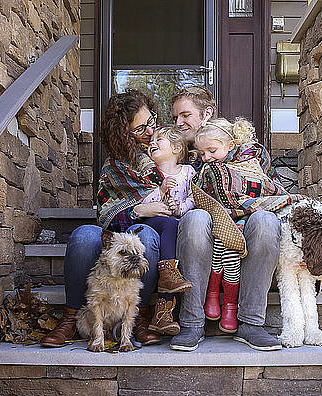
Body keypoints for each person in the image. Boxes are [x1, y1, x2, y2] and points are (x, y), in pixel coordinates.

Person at [41, 89, 169, 348]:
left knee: (147, 236)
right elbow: (106, 218)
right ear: (122, 134)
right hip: (116, 237)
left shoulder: (168, 152)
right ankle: (72, 316)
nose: (149, 132)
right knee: (84, 235)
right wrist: (137, 211)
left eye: (151, 122)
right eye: (139, 128)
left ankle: (139, 317)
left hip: (150, 233)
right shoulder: (113, 169)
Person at [169, 86, 283, 351]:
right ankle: (191, 322)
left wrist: (241, 207)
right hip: (203, 233)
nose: (178, 122)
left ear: (207, 114)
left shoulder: (251, 153)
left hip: (247, 223)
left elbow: (269, 188)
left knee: (266, 221)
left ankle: (252, 323)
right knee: (196, 218)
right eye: (175, 117)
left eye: (185, 115)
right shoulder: (179, 153)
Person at [141, 126, 196, 336]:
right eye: (151, 141)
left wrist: (180, 208)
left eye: (159, 139)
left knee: (174, 229)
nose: (151, 143)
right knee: (169, 273)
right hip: (155, 224)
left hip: (178, 225)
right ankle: (163, 304)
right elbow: (141, 202)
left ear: (175, 147)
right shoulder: (149, 173)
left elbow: (194, 198)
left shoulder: (188, 172)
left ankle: (162, 316)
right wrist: (160, 191)